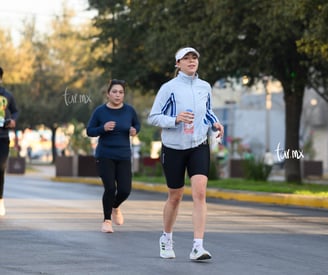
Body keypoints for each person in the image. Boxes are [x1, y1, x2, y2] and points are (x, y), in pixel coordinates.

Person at [148, 47, 224, 261]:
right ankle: (166, 238)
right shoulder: (168, 88)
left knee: (200, 192)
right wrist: (175, 120)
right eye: (186, 58)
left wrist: (215, 122)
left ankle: (198, 247)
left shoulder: (205, 87)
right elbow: (153, 117)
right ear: (178, 64)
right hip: (173, 147)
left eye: (194, 58)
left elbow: (207, 111)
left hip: (199, 144)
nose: (191, 61)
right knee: (176, 196)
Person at [86, 79, 141, 233]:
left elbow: (137, 125)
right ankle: (107, 221)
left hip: (123, 155)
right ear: (108, 94)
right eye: (114, 92)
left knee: (125, 190)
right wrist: (102, 128)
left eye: (121, 92)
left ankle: (115, 206)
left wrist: (134, 131)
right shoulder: (100, 111)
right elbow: (90, 131)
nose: (118, 95)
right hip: (105, 155)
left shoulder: (129, 111)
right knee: (110, 188)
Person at [0, 66, 19, 216]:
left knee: (1, 169)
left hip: (3, 137)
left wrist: (13, 120)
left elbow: (16, 111)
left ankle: (0, 201)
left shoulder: (8, 95)